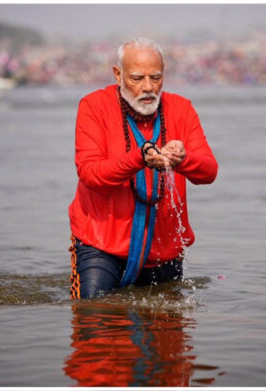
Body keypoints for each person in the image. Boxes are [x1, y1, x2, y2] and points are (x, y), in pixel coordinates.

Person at [68, 37, 218, 299]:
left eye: (155, 77)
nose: (148, 87)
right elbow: (90, 174)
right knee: (92, 316)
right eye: (137, 78)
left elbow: (209, 171)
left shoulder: (181, 108)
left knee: (167, 334)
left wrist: (183, 159)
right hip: (100, 246)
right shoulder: (93, 106)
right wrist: (139, 157)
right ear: (118, 74)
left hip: (163, 250)